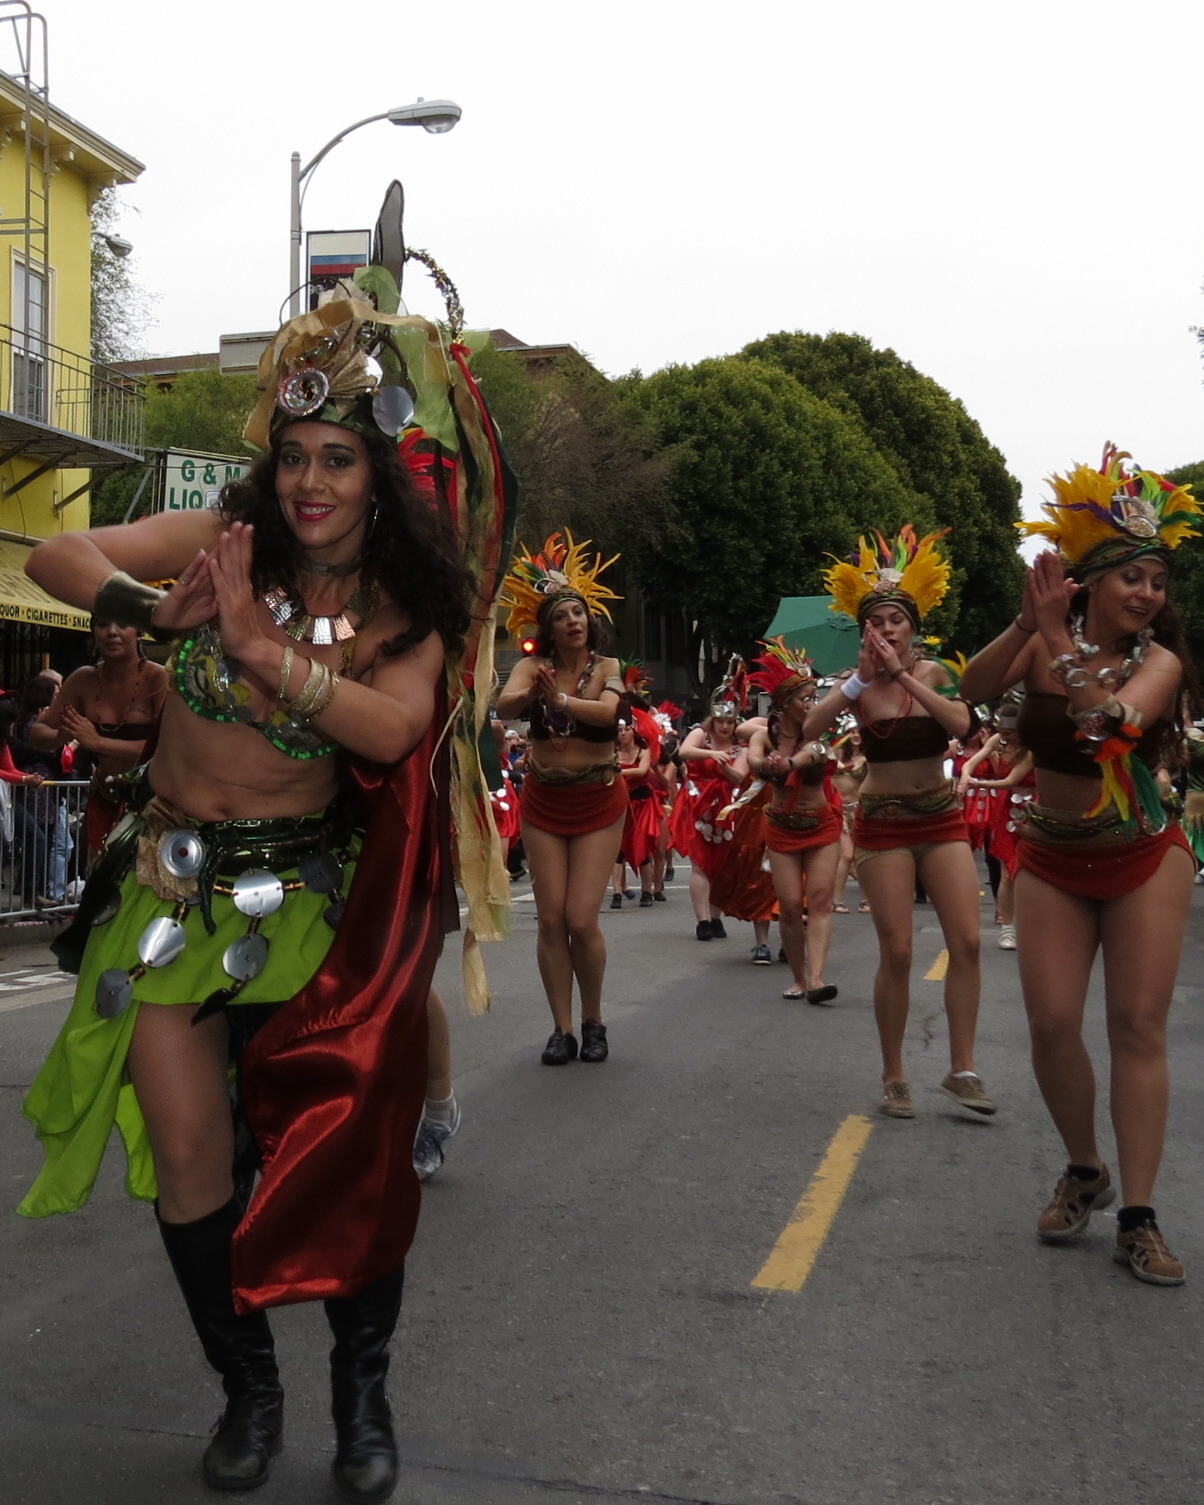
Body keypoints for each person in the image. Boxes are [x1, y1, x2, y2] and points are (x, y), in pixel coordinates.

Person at [17, 281, 503, 1498]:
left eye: (337, 455)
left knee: (343, 1161)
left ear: (378, 469)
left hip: (310, 913)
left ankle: (361, 1394)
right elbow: (55, 551)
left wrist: (259, 651)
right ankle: (248, 1388)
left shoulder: (407, 599)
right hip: (169, 897)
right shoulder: (226, 538)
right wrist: (152, 607)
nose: (309, 481)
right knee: (192, 1157)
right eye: (293, 455)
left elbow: (393, 731)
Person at [962, 445, 1200, 1286]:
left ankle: (1139, 1214)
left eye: (1157, 582)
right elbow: (975, 689)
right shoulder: (1043, 640)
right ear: (1089, 582)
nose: (1147, 595)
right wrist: (1030, 625)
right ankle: (1085, 1168)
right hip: (1054, 855)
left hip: (1142, 854)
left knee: (1136, 1027)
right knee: (1052, 1024)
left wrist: (1059, 639)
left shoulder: (1159, 664)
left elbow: (1114, 732)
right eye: (1131, 578)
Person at [805, 526, 992, 1120]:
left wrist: (904, 673)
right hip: (884, 824)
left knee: (966, 941)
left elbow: (963, 725)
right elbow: (809, 729)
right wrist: (860, 679)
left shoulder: (937, 674)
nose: (887, 630)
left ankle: (962, 1069)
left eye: (897, 621)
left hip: (941, 818)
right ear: (864, 630)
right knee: (901, 951)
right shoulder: (854, 687)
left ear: (913, 628)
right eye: (877, 622)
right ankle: (894, 1074)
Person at [495, 531, 626, 1065]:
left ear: (589, 622)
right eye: (561, 616)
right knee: (550, 920)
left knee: (579, 919)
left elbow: (608, 714)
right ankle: (562, 1028)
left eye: (578, 612)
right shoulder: (533, 669)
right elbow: (504, 708)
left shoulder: (606, 668)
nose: (573, 621)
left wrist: (564, 698)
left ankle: (594, 1019)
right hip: (545, 801)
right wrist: (535, 693)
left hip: (597, 799)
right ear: (547, 629)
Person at [747, 639, 841, 1003]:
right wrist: (764, 764)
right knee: (788, 906)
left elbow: (813, 754)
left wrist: (788, 764)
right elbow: (752, 759)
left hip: (820, 825)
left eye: (814, 697)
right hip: (781, 830)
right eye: (805, 698)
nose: (811, 704)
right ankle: (799, 978)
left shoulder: (818, 734)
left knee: (818, 900)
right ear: (784, 705)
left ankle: (817, 978)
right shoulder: (764, 735)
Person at [30, 617, 168, 862]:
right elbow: (37, 732)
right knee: (102, 886)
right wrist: (62, 735)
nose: (112, 633)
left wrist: (97, 742)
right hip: (105, 799)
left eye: (122, 624)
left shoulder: (157, 678)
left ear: (139, 632)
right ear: (93, 632)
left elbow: (166, 748)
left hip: (154, 805)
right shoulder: (84, 679)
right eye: (103, 625)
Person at [672, 674, 747, 941]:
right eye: (720, 721)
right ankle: (702, 921)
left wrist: (725, 764)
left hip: (726, 808)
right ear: (712, 720)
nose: (725, 726)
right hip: (697, 804)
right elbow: (684, 752)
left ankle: (716, 918)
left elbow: (739, 776)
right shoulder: (701, 734)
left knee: (721, 866)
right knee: (700, 865)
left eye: (730, 721)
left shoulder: (742, 747)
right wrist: (712, 754)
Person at [956, 701, 1034, 950]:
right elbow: (970, 761)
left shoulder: (1033, 748)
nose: (1005, 736)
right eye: (1002, 731)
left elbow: (1011, 779)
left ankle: (1034, 927)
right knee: (1006, 873)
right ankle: (1008, 929)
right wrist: (967, 774)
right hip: (1006, 810)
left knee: (1033, 871)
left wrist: (976, 783)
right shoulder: (997, 741)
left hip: (1033, 808)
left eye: (1010, 732)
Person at [611, 715, 657, 908]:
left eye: (627, 729)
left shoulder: (643, 750)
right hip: (620, 803)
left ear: (635, 731)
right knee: (617, 850)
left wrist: (618, 771)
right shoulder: (613, 752)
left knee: (641, 848)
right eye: (620, 730)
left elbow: (642, 771)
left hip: (642, 804)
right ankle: (616, 893)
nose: (623, 733)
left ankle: (647, 891)